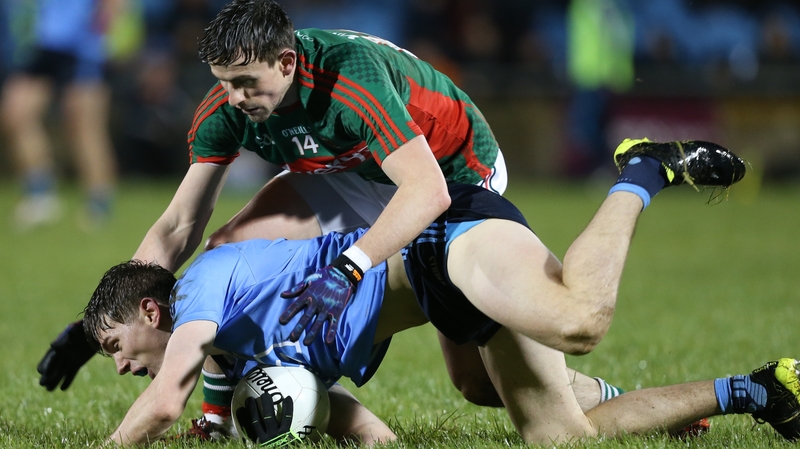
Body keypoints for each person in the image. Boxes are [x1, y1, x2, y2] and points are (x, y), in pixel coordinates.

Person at [38, 0, 562, 426]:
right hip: (348, 168)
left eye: (246, 82)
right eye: (223, 81)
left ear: (287, 63)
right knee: (223, 249)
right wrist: (109, 322)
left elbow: (426, 192)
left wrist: (348, 269)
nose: (234, 97)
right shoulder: (229, 105)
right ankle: (217, 417)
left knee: (472, 383)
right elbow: (179, 224)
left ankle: (585, 396)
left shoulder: (349, 82)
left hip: (450, 176)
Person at [79, 140, 771, 446]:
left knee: (580, 316)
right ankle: (762, 389)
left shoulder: (202, 284)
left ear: (151, 310)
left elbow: (165, 397)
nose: (118, 363)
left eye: (114, 345)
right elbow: (370, 430)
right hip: (436, 286)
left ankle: (644, 171)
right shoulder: (241, 346)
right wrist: (222, 422)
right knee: (550, 429)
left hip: (442, 237)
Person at [0, 0, 122, 229]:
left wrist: (99, 36)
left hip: (80, 42)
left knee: (84, 126)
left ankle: (99, 205)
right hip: (37, 40)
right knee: (16, 114)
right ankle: (41, 195)